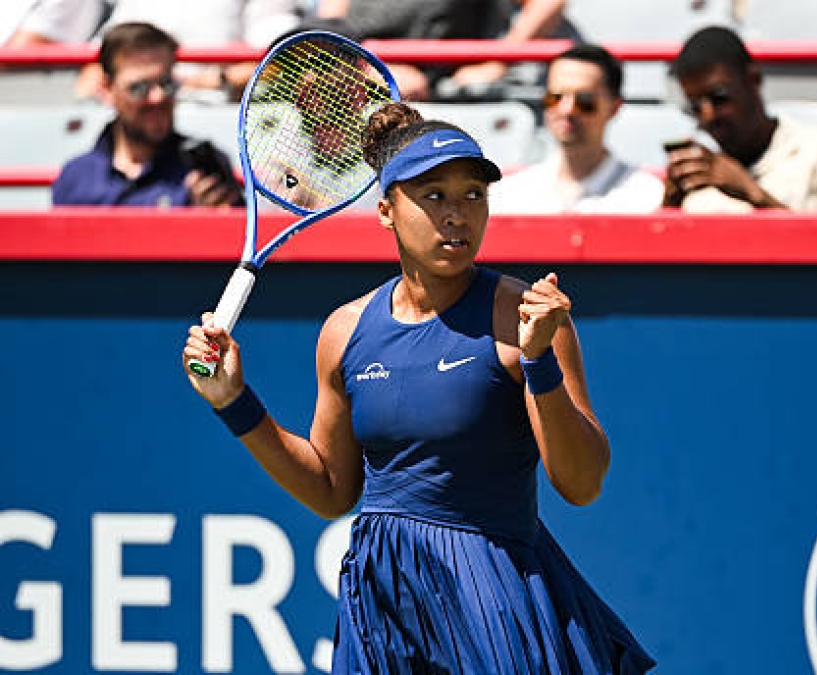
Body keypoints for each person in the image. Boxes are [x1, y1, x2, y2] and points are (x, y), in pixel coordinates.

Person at [180, 102, 656, 673]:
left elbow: (581, 485)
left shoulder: (526, 317)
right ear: (386, 210)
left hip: (492, 595)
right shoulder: (345, 330)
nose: (457, 215)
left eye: (473, 196)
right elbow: (332, 489)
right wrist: (235, 403)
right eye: (434, 196)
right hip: (381, 602)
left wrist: (538, 362)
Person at [663, 26, 817, 214]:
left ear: (753, 80)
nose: (708, 115)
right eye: (695, 106)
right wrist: (669, 207)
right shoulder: (697, 183)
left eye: (719, 97)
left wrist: (753, 195)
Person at [52, 22, 242, 207]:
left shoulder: (205, 170)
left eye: (166, 84)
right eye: (139, 88)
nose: (157, 98)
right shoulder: (77, 177)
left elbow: (244, 235)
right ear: (107, 90)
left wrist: (210, 221)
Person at [490, 43, 664, 214]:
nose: (566, 109)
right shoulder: (512, 194)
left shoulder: (644, 195)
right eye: (555, 97)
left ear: (614, 108)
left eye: (584, 101)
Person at [305, 0, 572, 101]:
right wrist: (372, 71)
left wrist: (496, 65)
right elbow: (328, 30)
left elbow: (549, 3)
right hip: (349, 84)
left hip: (436, 98)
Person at [76, 0, 301, 101]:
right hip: (142, 110)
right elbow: (105, 54)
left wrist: (206, 81)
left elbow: (280, 57)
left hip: (216, 110)